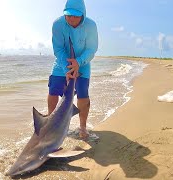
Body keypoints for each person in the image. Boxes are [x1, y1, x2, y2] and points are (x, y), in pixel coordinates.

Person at [47, 0, 98, 139]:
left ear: (83, 14)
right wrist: (67, 68)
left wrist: (78, 62)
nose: (71, 18)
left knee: (83, 94)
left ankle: (82, 127)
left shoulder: (91, 25)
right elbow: (58, 49)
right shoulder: (58, 24)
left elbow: (91, 49)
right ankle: (52, 125)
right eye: (68, 15)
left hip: (83, 63)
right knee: (53, 92)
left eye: (76, 16)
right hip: (62, 63)